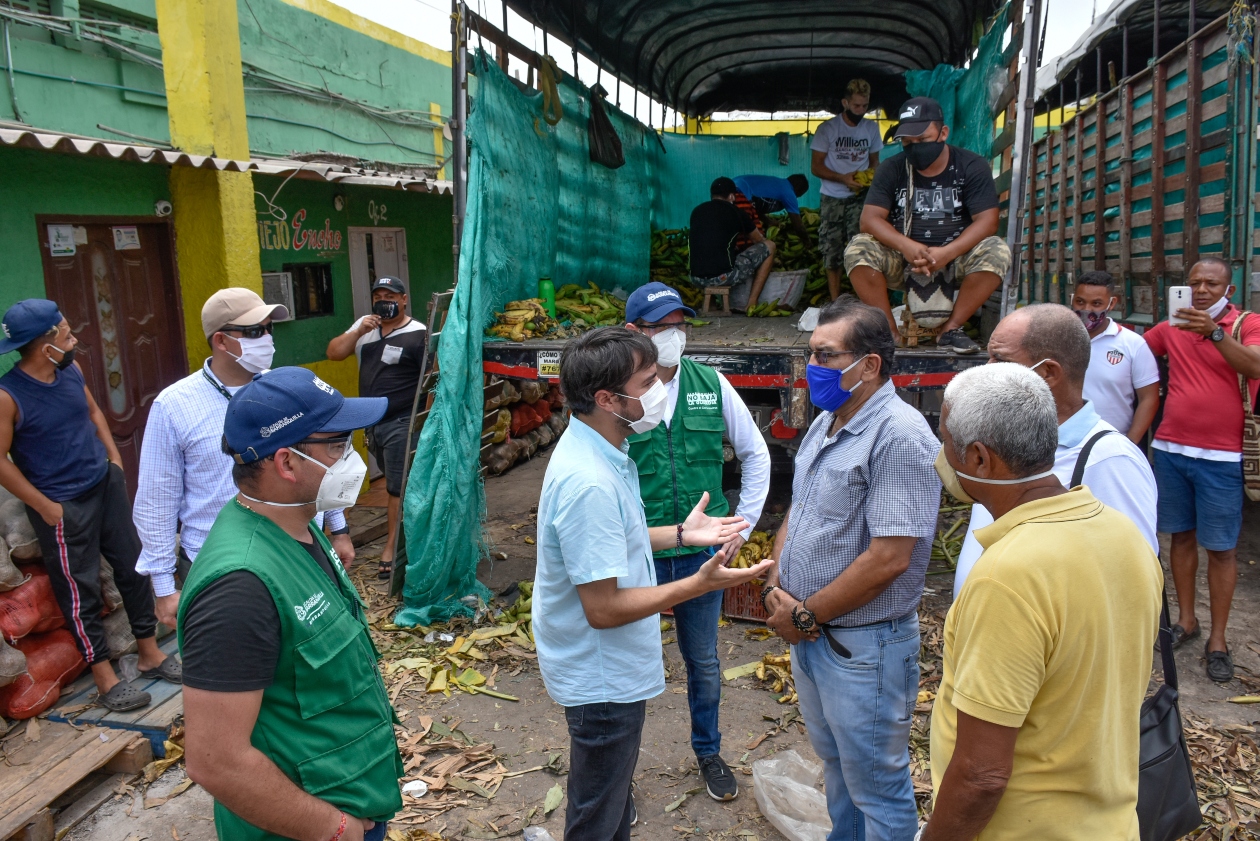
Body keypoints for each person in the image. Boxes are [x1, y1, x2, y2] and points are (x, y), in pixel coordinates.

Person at [534, 327, 773, 840]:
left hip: (604, 670)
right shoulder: (589, 482)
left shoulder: (602, 449)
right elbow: (603, 608)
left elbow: (613, 538)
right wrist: (697, 584)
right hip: (601, 679)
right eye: (647, 383)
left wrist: (681, 533)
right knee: (596, 820)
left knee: (609, 809)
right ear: (607, 399)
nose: (661, 389)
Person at [923, 363, 1162, 841]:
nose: (941, 454)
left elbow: (981, 776)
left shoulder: (1008, 576)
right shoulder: (1124, 537)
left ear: (979, 458)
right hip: (1110, 824)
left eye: (946, 440)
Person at [179, 367, 399, 841]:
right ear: (287, 463)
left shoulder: (299, 527)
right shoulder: (239, 587)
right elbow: (215, 760)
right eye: (338, 445)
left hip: (351, 795)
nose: (352, 458)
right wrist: (334, 828)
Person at [760, 295, 941, 841]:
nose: (813, 367)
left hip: (863, 647)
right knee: (838, 766)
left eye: (826, 355)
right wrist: (776, 585)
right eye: (811, 353)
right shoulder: (828, 422)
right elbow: (800, 508)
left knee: (877, 786)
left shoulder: (899, 435)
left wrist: (805, 616)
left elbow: (889, 558)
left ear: (869, 366)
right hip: (815, 635)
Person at [621, 282, 771, 802]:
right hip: (641, 552)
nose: (674, 335)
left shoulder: (711, 383)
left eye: (679, 324)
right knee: (630, 667)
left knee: (703, 662)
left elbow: (756, 454)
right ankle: (620, 776)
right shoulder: (621, 395)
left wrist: (741, 528)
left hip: (700, 558)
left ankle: (708, 751)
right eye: (661, 327)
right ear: (634, 332)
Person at [133, 289, 354, 630]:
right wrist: (163, 586)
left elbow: (322, 464)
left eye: (269, 329)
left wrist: (338, 530)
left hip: (300, 548)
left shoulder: (286, 389)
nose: (266, 338)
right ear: (221, 340)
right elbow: (156, 499)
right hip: (221, 567)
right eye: (253, 331)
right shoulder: (175, 405)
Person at [0, 299, 177, 712]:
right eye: (66, 334)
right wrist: (45, 506)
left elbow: (94, 411)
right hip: (60, 505)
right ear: (45, 345)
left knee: (133, 568)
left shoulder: (71, 371)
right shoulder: (8, 396)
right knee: (80, 592)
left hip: (103, 486)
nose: (73, 339)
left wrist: (114, 461)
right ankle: (105, 678)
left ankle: (149, 653)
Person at [954, 303, 1157, 597]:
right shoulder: (1003, 440)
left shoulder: (1110, 460)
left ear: (1048, 373)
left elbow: (1132, 584)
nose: (986, 371)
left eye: (1001, 360)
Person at [1143, 256, 1260, 683]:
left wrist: (1213, 332)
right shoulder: (1170, 327)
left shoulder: (1247, 324)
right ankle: (1187, 621)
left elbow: (1255, 366)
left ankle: (1219, 640)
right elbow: (1131, 352)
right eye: (1194, 283)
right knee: (1180, 537)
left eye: (1211, 283)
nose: (1201, 290)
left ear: (1229, 289)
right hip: (1171, 451)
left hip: (1223, 458)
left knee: (1223, 549)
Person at [845, 97, 1010, 353]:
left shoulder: (971, 165)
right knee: (858, 248)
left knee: (997, 250)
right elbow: (869, 219)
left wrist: (947, 253)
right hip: (903, 262)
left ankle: (951, 330)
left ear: (943, 133)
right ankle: (888, 332)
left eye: (922, 139)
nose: (915, 148)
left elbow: (988, 221)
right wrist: (906, 246)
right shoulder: (892, 168)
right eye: (907, 142)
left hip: (957, 260)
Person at [326, 276, 426, 580]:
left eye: (390, 296)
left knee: (396, 486)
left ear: (404, 299)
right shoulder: (365, 329)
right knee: (390, 480)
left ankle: (391, 549)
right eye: (378, 296)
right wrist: (359, 331)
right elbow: (334, 352)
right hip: (372, 424)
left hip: (402, 421)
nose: (384, 301)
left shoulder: (417, 333)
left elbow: (431, 378)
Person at [811, 78, 883, 301]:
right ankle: (836, 301)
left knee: (861, 248)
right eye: (856, 105)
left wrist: (869, 178)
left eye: (865, 106)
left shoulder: (871, 128)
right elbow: (816, 166)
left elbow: (875, 162)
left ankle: (861, 299)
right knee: (832, 249)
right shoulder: (828, 129)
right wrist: (842, 178)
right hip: (832, 198)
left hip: (860, 198)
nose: (860, 110)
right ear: (845, 103)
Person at [1072, 271, 1161, 441]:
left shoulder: (1133, 344)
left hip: (1111, 444)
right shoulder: (1057, 338)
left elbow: (1149, 398)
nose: (1086, 309)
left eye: (1096, 303)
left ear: (1111, 303)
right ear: (1072, 299)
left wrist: (1129, 444)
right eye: (1080, 302)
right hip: (1061, 444)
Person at [689, 177, 778, 311]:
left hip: (695, 278)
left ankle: (711, 304)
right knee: (770, 246)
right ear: (731, 196)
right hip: (723, 278)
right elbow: (759, 240)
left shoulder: (697, 211)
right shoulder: (736, 211)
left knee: (710, 255)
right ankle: (752, 303)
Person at [734, 173, 812, 241]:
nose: (796, 197)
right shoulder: (788, 192)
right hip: (740, 191)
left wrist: (769, 221)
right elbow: (798, 225)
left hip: (732, 186)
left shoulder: (778, 184)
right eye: (799, 195)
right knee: (752, 236)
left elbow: (755, 209)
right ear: (798, 189)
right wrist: (807, 241)